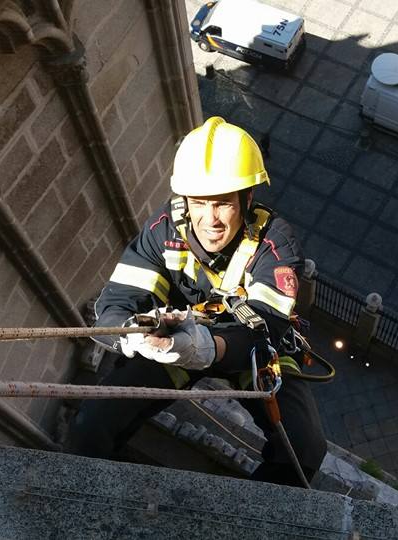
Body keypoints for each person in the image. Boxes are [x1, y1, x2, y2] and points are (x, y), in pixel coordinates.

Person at [67, 117, 326, 487]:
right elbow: (118, 301)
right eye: (199, 204)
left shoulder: (274, 244)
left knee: (305, 448)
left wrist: (206, 345)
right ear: (185, 200)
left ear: (247, 198)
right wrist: (136, 336)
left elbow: (266, 325)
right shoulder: (163, 232)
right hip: (175, 345)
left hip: (249, 353)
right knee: (92, 425)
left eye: (223, 204)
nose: (210, 220)